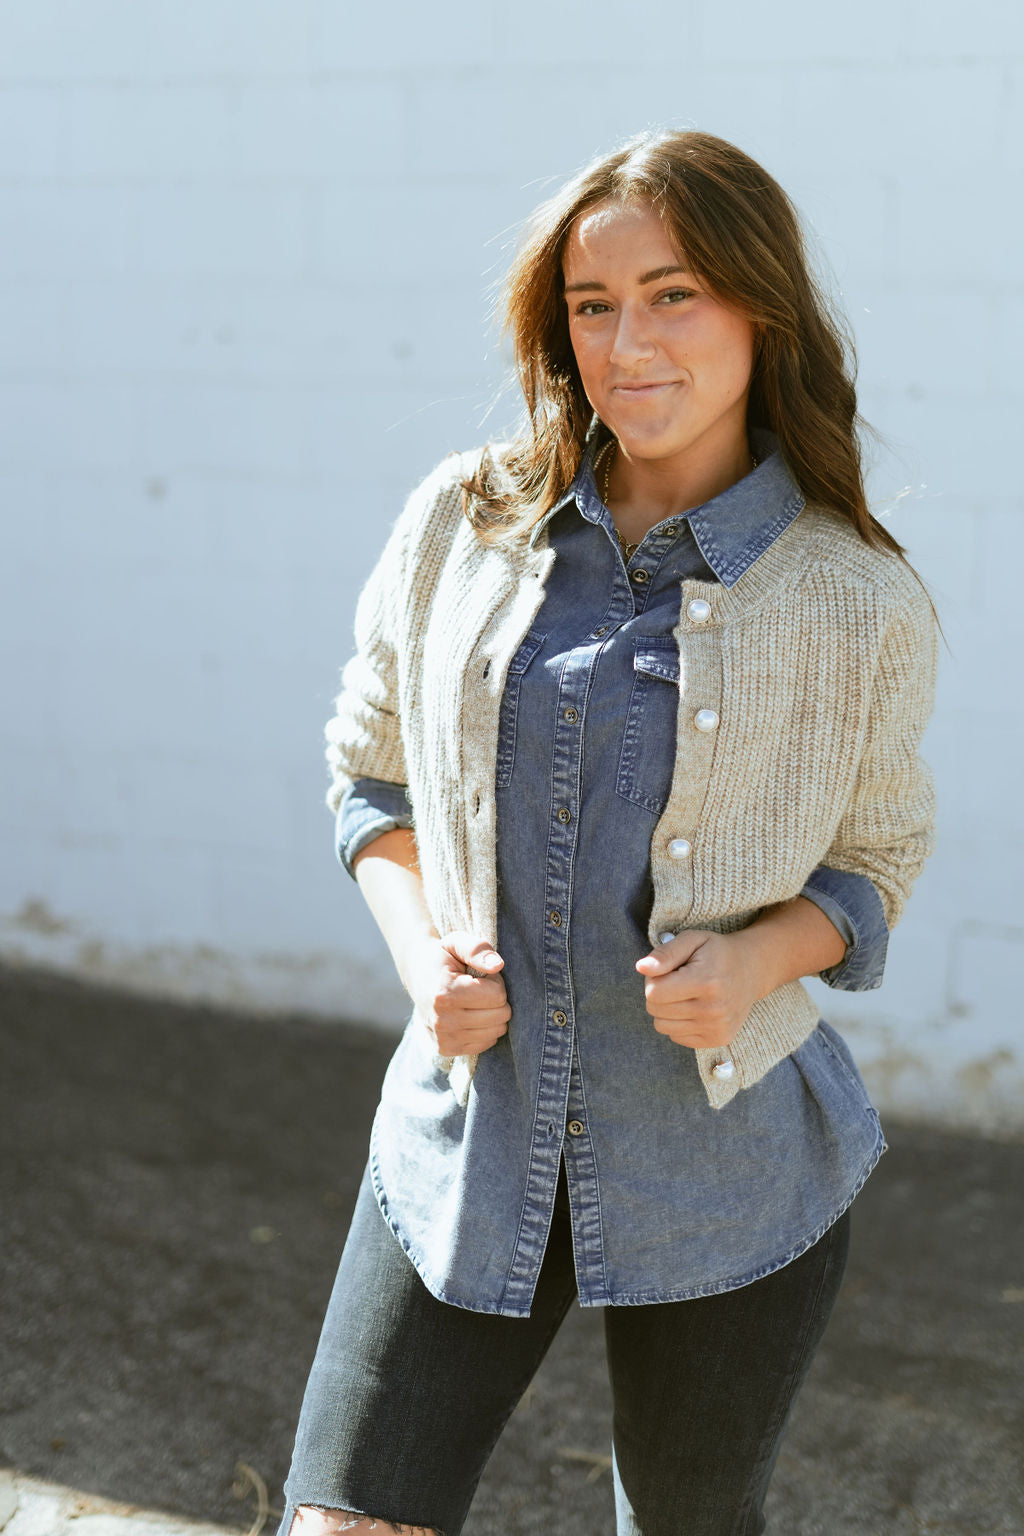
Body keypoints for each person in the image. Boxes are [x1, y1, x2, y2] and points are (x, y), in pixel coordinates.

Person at [277, 129, 938, 1536]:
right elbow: (370, 779)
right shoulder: (463, 523)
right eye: (593, 306)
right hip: (469, 1135)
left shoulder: (858, 597)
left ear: (763, 309)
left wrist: (760, 964)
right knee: (346, 1521)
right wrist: (421, 962)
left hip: (730, 1167)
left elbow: (872, 865)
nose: (627, 341)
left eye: (674, 294)